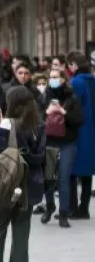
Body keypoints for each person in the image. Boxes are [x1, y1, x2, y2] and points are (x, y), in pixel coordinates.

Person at [0, 86, 44, 262]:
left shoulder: (5, 125)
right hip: (29, 186)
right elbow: (40, 158)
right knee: (21, 234)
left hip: (6, 185)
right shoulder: (38, 126)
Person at [40, 67, 83, 228]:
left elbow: (79, 120)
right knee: (48, 178)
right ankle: (50, 206)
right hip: (49, 143)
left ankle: (63, 213)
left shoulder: (73, 98)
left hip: (67, 143)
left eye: (56, 77)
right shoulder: (44, 97)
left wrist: (64, 112)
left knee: (64, 179)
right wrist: (47, 112)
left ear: (64, 79)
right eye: (51, 77)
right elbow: (37, 120)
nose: (53, 80)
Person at [67, 51, 95, 219]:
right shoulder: (93, 81)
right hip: (92, 132)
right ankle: (84, 208)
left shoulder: (76, 82)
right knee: (87, 171)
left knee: (71, 170)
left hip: (78, 131)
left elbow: (71, 107)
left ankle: (73, 208)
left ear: (74, 65)